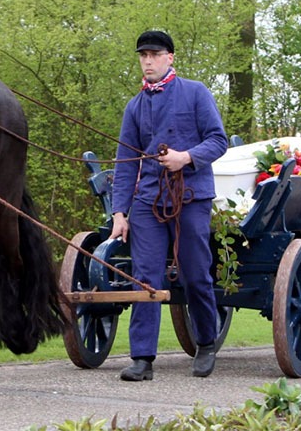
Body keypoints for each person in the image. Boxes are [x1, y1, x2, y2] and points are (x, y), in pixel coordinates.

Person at [109, 30, 228, 381]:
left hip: (191, 197)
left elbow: (218, 141)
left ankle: (205, 342)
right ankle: (142, 358)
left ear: (170, 57)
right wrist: (119, 213)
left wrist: (185, 157)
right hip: (148, 201)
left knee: (195, 273)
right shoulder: (135, 106)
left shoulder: (196, 92)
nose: (148, 61)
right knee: (145, 277)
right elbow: (125, 163)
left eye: (155, 55)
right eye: (143, 56)